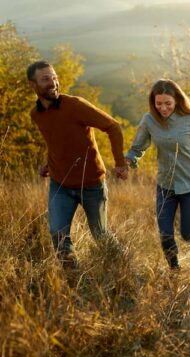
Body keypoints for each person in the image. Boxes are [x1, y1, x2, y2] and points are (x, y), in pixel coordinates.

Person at [28, 60, 128, 268]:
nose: (53, 82)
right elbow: (57, 140)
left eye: (54, 77)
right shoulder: (36, 115)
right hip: (60, 184)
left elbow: (113, 127)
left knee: (100, 234)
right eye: (45, 79)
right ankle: (74, 278)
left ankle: (124, 266)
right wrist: (49, 163)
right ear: (33, 85)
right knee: (58, 234)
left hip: (91, 184)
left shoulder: (75, 105)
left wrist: (120, 162)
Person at [125, 79, 190, 270]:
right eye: (158, 103)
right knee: (165, 234)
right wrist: (127, 161)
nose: (163, 108)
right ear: (153, 102)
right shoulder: (149, 120)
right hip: (165, 185)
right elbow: (137, 148)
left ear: (177, 100)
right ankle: (174, 271)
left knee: (187, 233)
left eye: (168, 103)